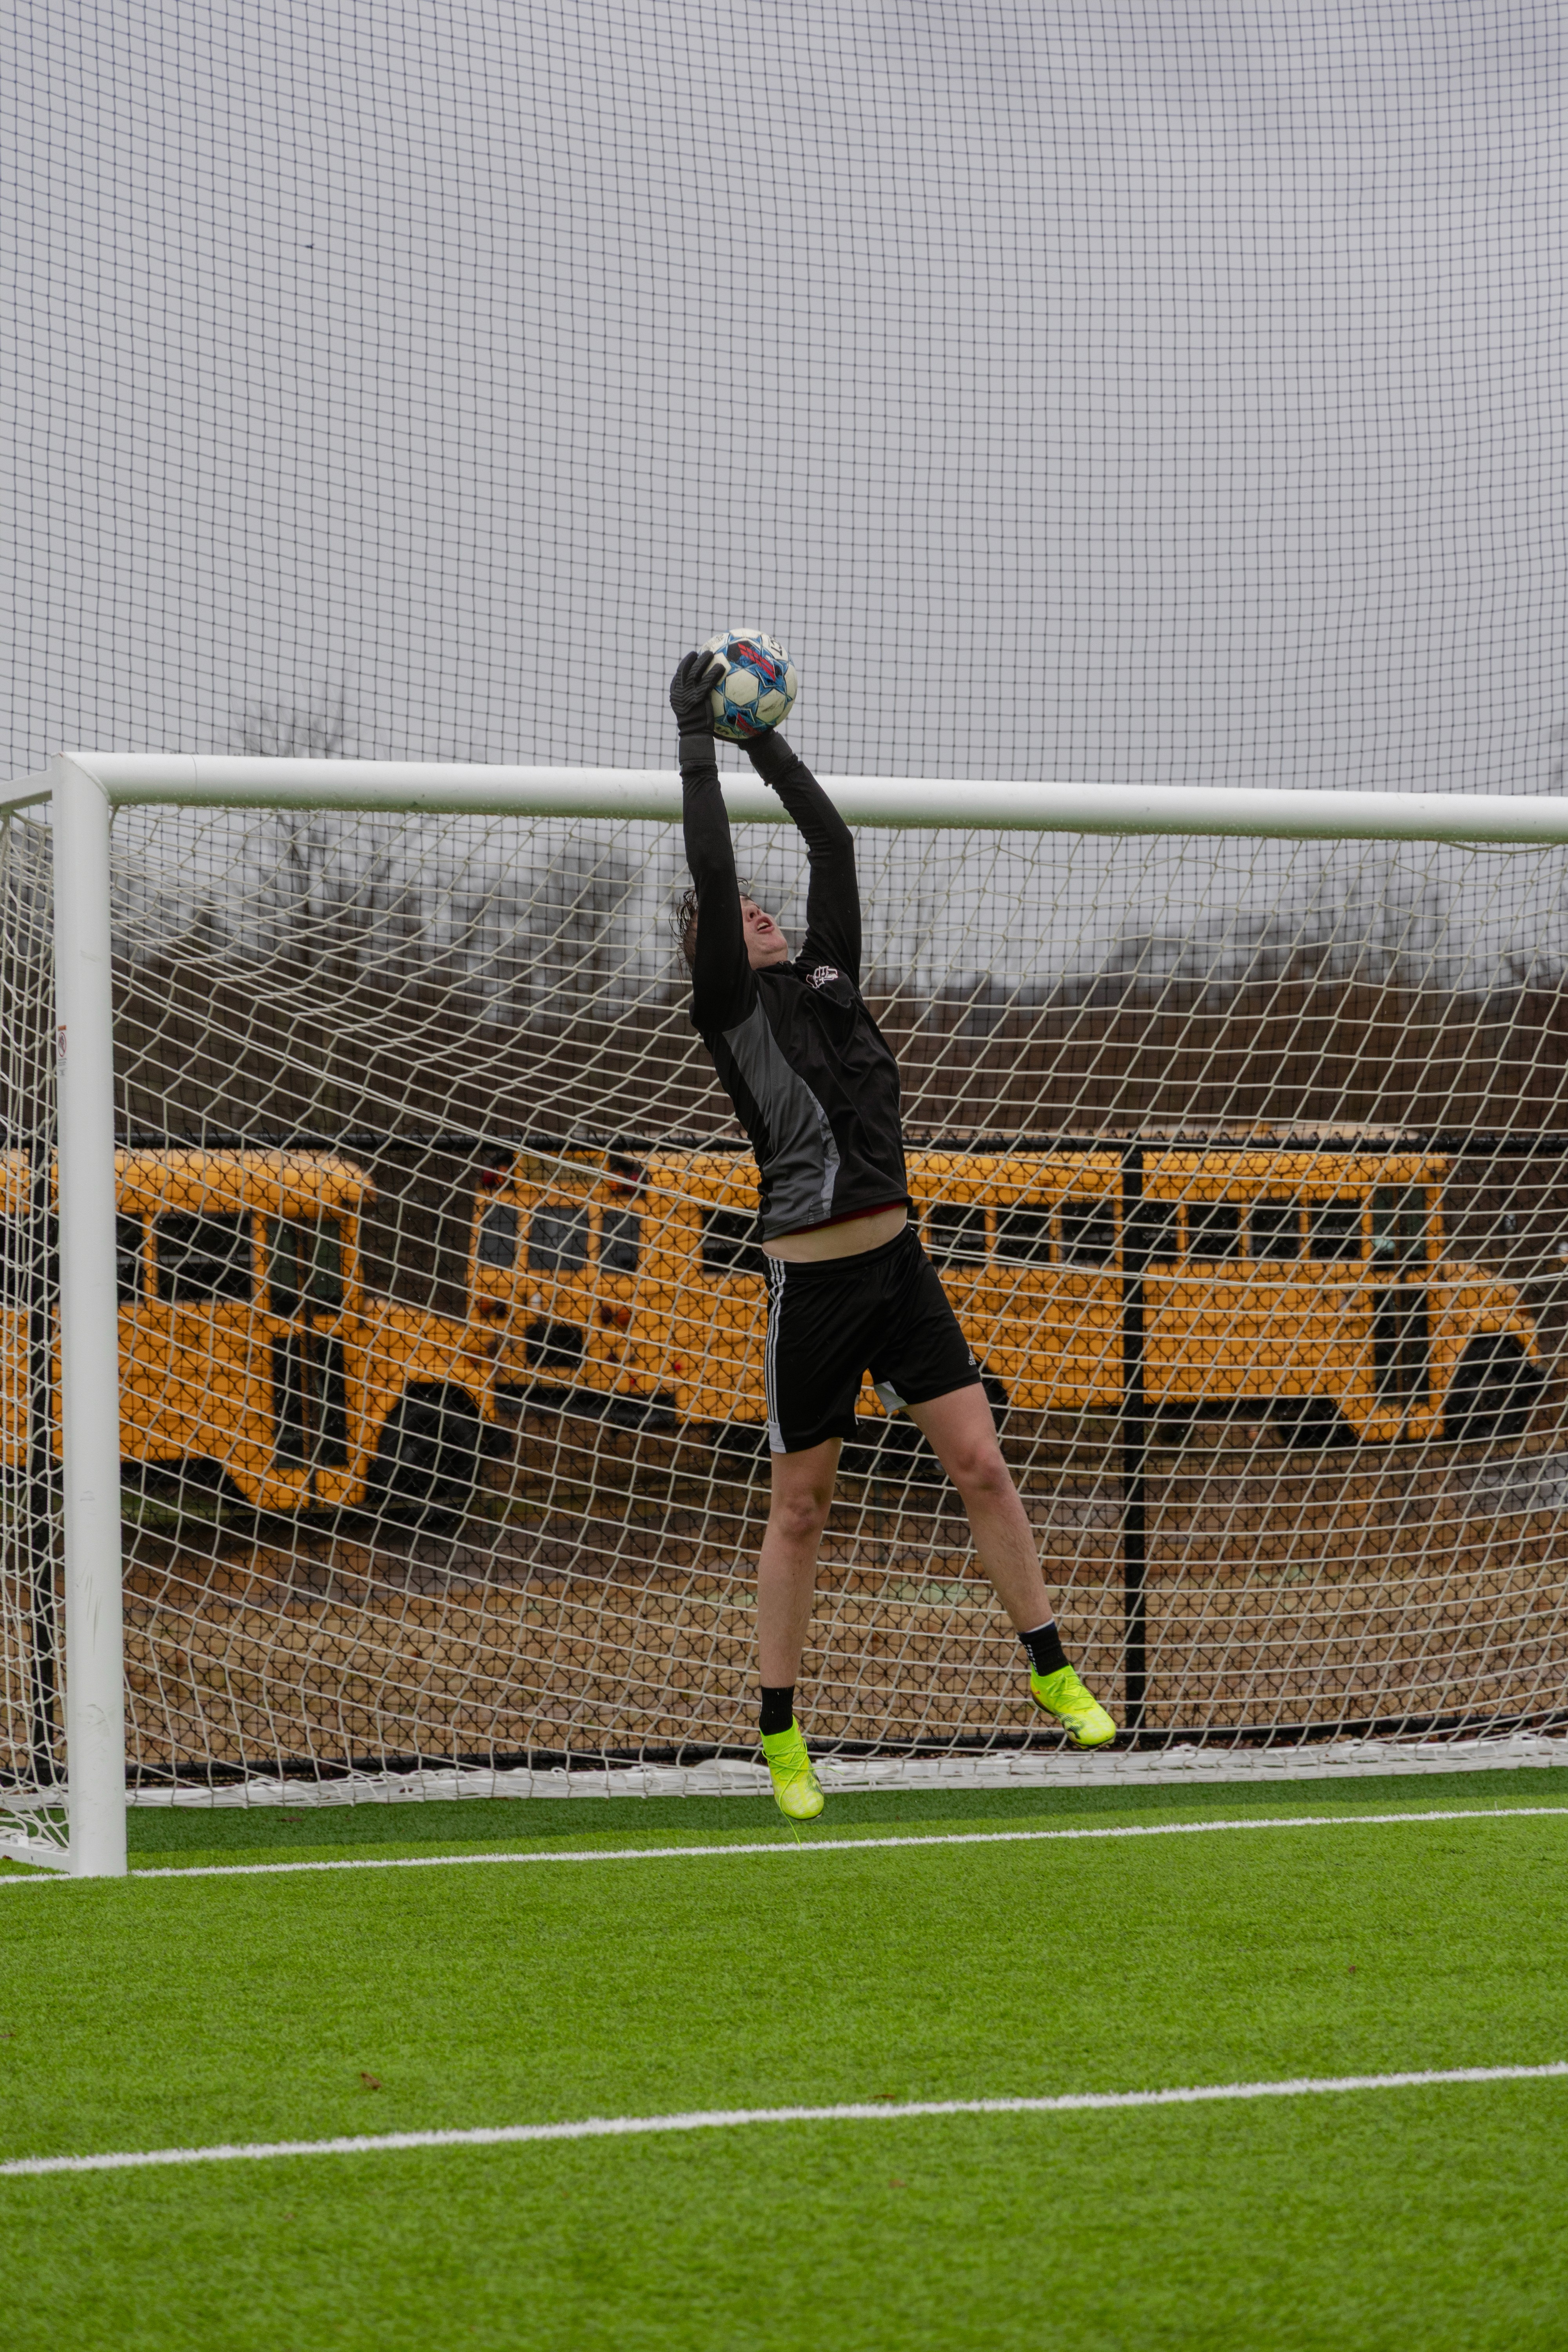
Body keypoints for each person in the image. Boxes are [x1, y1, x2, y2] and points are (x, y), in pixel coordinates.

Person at [670, 649, 1116, 1820]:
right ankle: (780, 1734)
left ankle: (1053, 1668)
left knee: (981, 1465)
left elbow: (831, 845)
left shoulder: (829, 979)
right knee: (803, 1511)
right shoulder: (731, 1010)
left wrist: (757, 740)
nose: (757, 910)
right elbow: (713, 874)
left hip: (901, 1269)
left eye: (766, 912)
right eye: (737, 918)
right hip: (810, 1292)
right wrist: (692, 744)